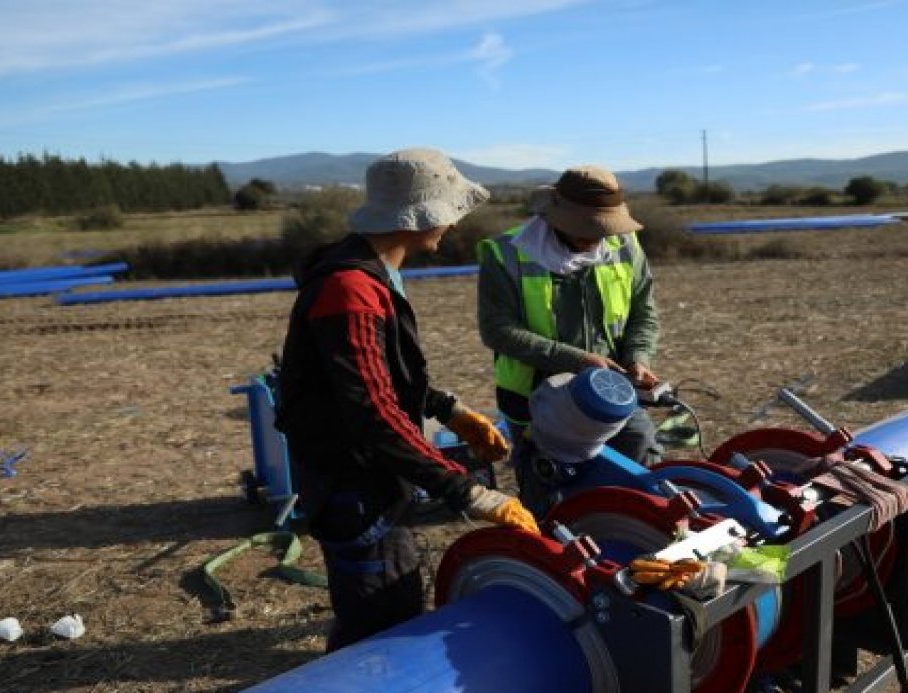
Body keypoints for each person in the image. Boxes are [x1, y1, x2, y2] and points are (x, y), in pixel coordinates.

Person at [275, 148, 538, 652]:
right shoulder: (350, 288)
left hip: (369, 473)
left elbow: (381, 377)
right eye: (449, 211)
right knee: (380, 619)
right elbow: (371, 407)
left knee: (388, 601)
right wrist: (466, 491)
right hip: (352, 481)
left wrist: (447, 409)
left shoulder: (373, 274)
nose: (454, 223)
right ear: (422, 215)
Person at [476, 165, 661, 516]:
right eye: (586, 227)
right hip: (536, 397)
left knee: (639, 452)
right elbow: (498, 330)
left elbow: (643, 312)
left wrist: (639, 356)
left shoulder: (624, 246)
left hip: (613, 391)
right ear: (556, 217)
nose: (595, 237)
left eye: (601, 228)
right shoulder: (507, 254)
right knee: (549, 487)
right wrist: (575, 360)